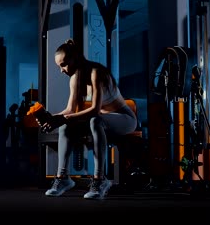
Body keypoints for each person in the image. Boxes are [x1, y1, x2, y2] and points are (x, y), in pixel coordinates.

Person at [37, 39, 137, 199]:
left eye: (63, 64)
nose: (61, 70)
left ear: (74, 58)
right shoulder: (74, 80)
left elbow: (95, 110)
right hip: (103, 119)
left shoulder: (96, 73)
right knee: (65, 127)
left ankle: (100, 179)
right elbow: (70, 110)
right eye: (59, 66)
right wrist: (52, 119)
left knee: (95, 120)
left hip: (125, 119)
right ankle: (62, 178)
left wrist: (61, 118)